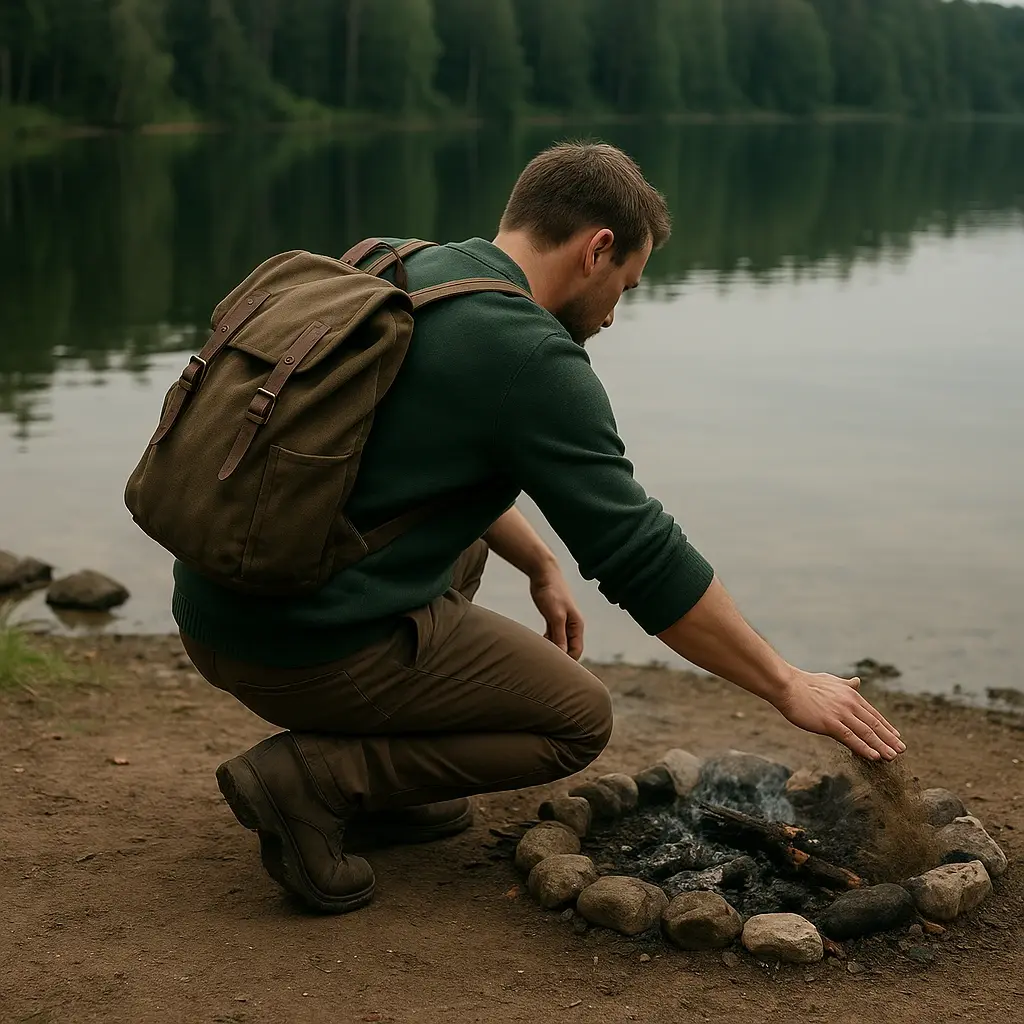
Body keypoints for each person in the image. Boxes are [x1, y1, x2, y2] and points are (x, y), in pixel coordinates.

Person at [177, 142, 904, 914]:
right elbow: (642, 556)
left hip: (217, 605)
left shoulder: (402, 265)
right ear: (598, 249)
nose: (616, 312)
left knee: (461, 558)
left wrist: (540, 564)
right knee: (574, 719)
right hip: (291, 648)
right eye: (625, 284)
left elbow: (405, 458)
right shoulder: (529, 356)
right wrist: (786, 683)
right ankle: (314, 783)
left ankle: (382, 789)